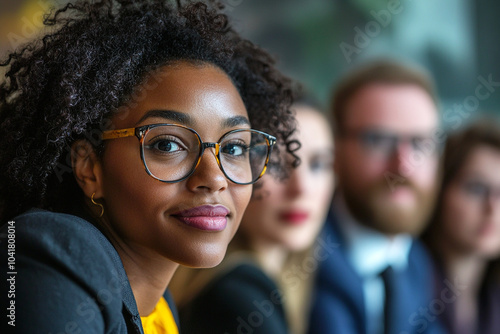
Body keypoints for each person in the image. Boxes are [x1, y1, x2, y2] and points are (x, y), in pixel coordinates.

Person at [0, 1, 298, 333]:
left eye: (233, 147)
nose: (214, 178)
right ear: (89, 168)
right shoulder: (55, 253)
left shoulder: (159, 312)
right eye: (167, 144)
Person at [170, 102, 335, 334]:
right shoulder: (239, 300)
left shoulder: (303, 284)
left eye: (318, 164)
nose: (302, 188)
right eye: (275, 163)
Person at [308, 60, 446, 334]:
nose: (403, 166)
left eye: (420, 144)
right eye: (378, 140)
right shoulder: (301, 260)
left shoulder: (416, 261)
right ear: (333, 148)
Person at [423, 119, 500, 334]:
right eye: (476, 188)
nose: (492, 208)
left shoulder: (492, 299)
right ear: (439, 191)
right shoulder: (404, 279)